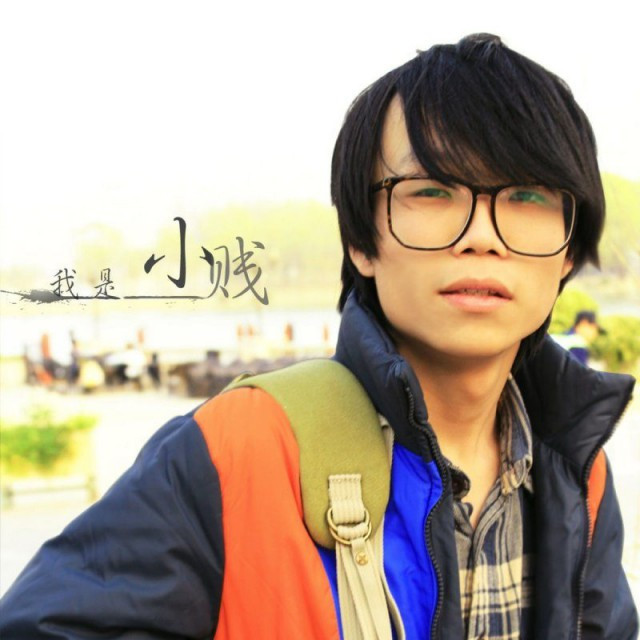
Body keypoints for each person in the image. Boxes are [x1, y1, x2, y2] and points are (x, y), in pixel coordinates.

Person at [0, 33, 636, 639]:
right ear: (361, 241)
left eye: (526, 196)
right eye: (432, 190)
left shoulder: (575, 471)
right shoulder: (242, 450)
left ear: (568, 251)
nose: (481, 235)